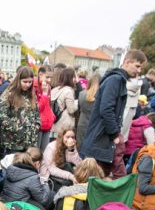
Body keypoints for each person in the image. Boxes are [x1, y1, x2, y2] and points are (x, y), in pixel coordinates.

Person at [80, 49, 147, 179]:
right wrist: (115, 134)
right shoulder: (115, 80)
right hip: (101, 140)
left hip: (102, 139)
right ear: (127, 62)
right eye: (137, 66)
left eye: (141, 67)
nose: (139, 70)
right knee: (94, 181)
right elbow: (106, 109)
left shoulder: (118, 79)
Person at [0, 66, 40, 154]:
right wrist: (17, 128)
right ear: (18, 80)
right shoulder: (8, 94)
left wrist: (37, 124)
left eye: (30, 82)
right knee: (14, 166)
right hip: (14, 141)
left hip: (30, 140)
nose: (27, 84)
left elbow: (36, 113)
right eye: (25, 82)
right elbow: (2, 117)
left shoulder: (32, 95)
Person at [50, 67, 78, 138]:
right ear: (70, 78)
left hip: (53, 125)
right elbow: (71, 110)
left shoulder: (54, 89)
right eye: (74, 77)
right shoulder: (68, 91)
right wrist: (77, 102)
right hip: (63, 126)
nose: (75, 79)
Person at [76, 74, 100, 149]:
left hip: (82, 123)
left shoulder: (82, 94)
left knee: (80, 148)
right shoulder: (101, 96)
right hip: (95, 125)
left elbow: (79, 109)